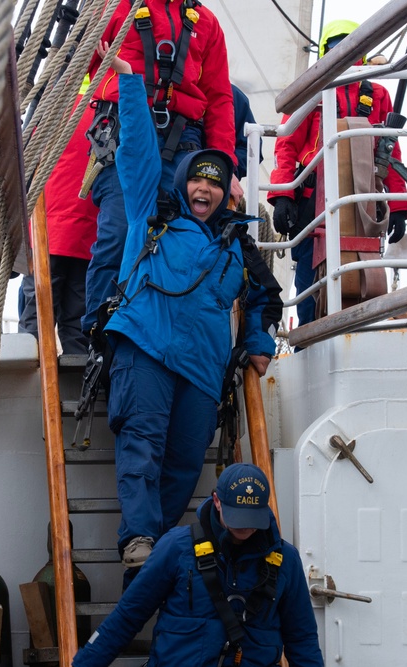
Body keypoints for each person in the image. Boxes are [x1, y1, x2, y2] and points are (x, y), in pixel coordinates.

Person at [94, 46, 282, 577]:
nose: (205, 187)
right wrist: (131, 86)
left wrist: (261, 344)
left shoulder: (235, 248)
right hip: (147, 349)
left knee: (181, 463)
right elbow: (136, 157)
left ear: (226, 193)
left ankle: (148, 556)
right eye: (198, 179)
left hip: (201, 368)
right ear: (184, 184)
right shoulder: (149, 217)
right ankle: (139, 541)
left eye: (216, 182)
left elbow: (265, 297)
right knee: (142, 447)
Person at [81, 0, 241, 337]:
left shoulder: (207, 23)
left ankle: (161, 336)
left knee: (179, 240)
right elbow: (81, 64)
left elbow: (219, 97)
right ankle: (98, 336)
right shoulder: (116, 7)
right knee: (119, 234)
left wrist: (225, 165)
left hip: (183, 141)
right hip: (125, 129)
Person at [73, 463, 324, 667]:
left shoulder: (286, 560)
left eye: (252, 518)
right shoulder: (176, 547)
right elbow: (127, 617)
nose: (245, 527)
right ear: (216, 501)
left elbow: (301, 639)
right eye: (237, 516)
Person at [269, 19, 407, 326]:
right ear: (325, 51)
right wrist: (282, 196)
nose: (341, 51)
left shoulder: (378, 94)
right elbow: (287, 146)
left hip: (362, 200)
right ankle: (309, 339)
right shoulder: (310, 92)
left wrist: (399, 208)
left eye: (348, 44)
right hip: (311, 202)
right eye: (334, 45)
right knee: (309, 279)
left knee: (365, 274)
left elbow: (390, 152)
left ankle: (358, 331)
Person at [18, 88, 97, 355]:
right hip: (88, 231)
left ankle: (29, 377)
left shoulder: (54, 102)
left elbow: (25, 155)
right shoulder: (112, 102)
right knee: (78, 317)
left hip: (50, 229)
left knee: (36, 313)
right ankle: (80, 383)